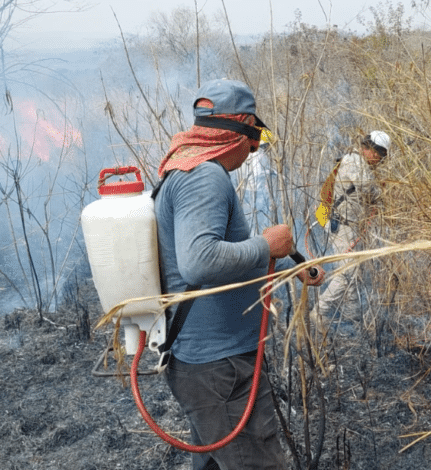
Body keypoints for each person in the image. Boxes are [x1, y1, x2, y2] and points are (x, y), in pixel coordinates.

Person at [154, 78, 325, 470]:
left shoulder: (186, 169)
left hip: (209, 366)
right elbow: (199, 261)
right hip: (221, 369)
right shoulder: (204, 177)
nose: (254, 149)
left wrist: (290, 265)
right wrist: (268, 246)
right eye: (255, 135)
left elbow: (224, 260)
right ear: (245, 126)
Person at [311, 130, 390, 329]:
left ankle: (353, 319)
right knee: (347, 274)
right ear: (373, 151)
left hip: (348, 226)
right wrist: (383, 194)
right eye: (382, 156)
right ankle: (319, 312)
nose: (381, 161)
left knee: (353, 273)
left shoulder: (358, 162)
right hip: (343, 226)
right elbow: (368, 190)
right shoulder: (354, 163)